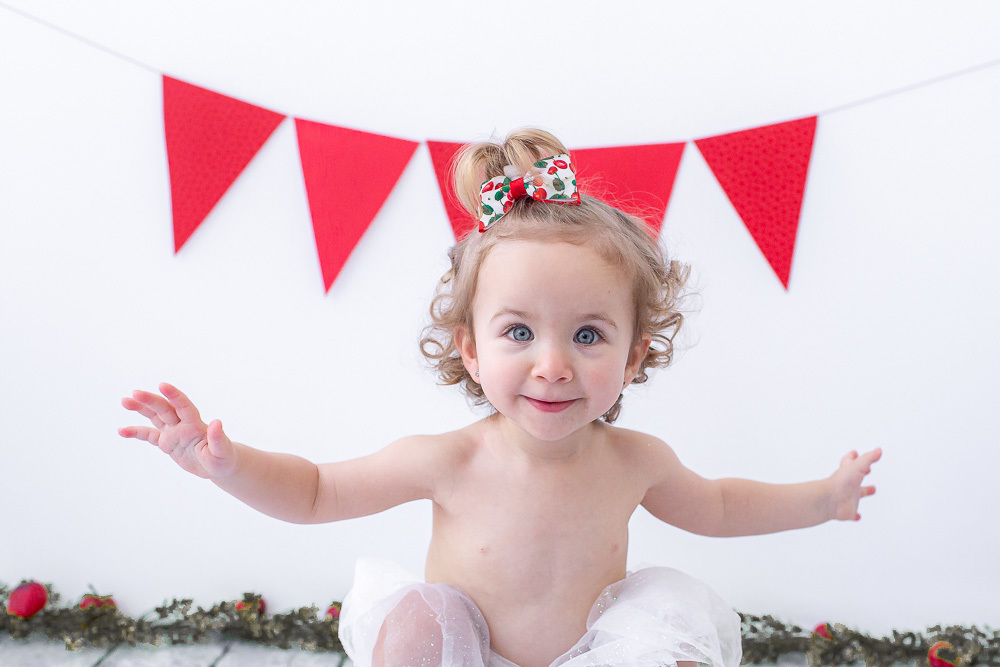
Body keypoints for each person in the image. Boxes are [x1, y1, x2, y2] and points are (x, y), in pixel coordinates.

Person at [119, 128, 881, 667]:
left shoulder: (634, 461)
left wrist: (824, 497)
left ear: (636, 351)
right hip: (467, 657)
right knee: (425, 619)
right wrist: (226, 464)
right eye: (519, 333)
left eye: (587, 335)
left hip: (587, 655)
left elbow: (718, 506)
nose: (552, 365)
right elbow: (317, 491)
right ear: (471, 349)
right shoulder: (448, 460)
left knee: (662, 634)